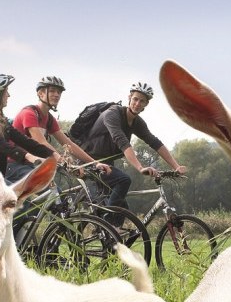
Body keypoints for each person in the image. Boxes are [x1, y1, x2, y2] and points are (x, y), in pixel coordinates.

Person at [76, 81, 188, 226]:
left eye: (142, 101)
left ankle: (113, 238)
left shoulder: (137, 122)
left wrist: (176, 166)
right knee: (124, 180)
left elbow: (154, 142)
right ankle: (107, 228)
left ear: (146, 104)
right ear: (129, 97)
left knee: (121, 208)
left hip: (105, 165)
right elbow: (121, 141)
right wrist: (140, 167)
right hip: (89, 161)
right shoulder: (112, 114)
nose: (137, 103)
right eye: (135, 99)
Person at [8, 75, 111, 183]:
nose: (57, 95)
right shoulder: (29, 113)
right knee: (49, 191)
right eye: (52, 91)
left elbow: (68, 143)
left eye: (59, 92)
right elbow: (41, 142)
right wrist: (66, 162)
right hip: (13, 164)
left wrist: (95, 163)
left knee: (58, 194)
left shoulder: (49, 119)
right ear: (41, 93)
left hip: (32, 164)